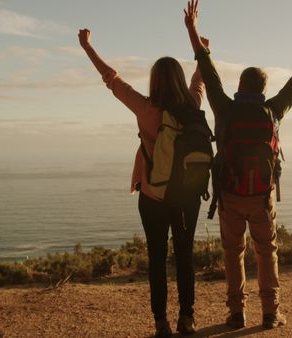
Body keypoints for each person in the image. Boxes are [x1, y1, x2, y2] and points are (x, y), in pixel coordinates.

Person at [183, 0, 292, 330]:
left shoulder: (223, 107)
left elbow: (207, 68)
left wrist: (192, 29)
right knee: (266, 252)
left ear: (240, 86)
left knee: (233, 254)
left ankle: (236, 313)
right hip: (261, 196)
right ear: (263, 89)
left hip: (229, 195)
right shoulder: (273, 109)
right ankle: (271, 313)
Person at [78, 28, 209, 337]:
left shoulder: (145, 108)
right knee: (185, 257)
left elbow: (112, 79)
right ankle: (187, 318)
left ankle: (161, 321)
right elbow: (199, 80)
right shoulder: (192, 105)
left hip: (153, 196)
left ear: (155, 81)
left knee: (157, 258)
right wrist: (203, 51)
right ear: (178, 79)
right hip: (188, 197)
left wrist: (87, 47)